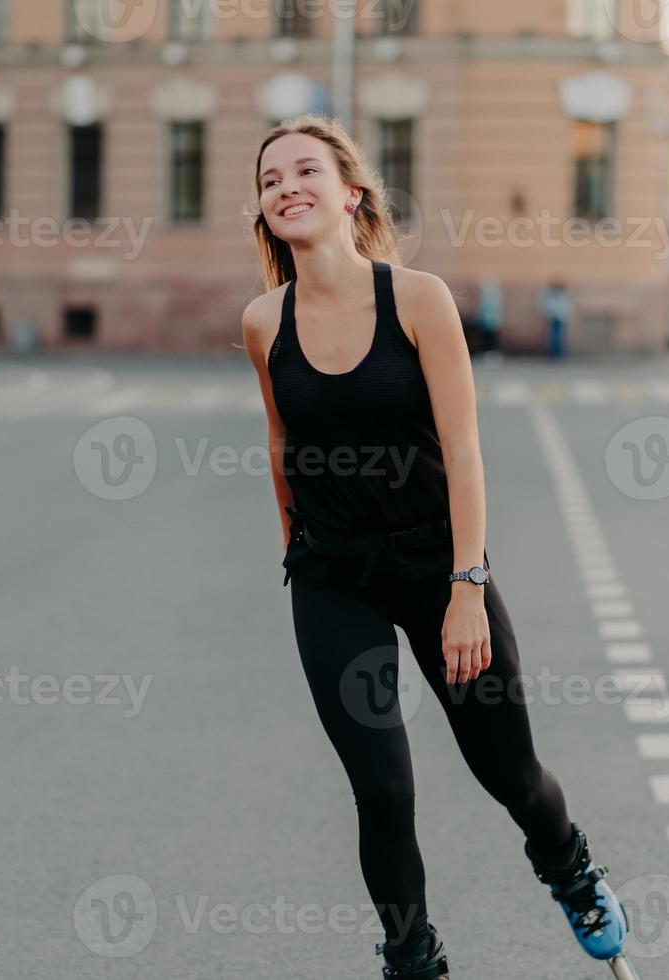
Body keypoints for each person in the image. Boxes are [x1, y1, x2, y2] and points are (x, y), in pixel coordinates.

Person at [241, 115, 631, 980]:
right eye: (270, 180)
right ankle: (413, 960)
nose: (286, 187)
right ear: (264, 210)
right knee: (381, 790)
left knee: (512, 776)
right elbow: (281, 443)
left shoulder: (416, 300)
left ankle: (568, 866)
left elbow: (463, 451)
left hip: (437, 565)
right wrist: (298, 552)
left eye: (305, 171)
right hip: (333, 576)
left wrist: (466, 587)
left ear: (351, 193)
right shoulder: (264, 321)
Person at [536, 278, 573, 360]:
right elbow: (546, 305)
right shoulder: (550, 294)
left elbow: (567, 306)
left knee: (559, 338)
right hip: (554, 318)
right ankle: (554, 354)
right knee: (554, 338)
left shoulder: (562, 294)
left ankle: (559, 354)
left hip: (561, 318)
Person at [474, 274, 503, 363]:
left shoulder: (492, 297)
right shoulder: (486, 297)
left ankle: (491, 355)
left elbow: (494, 310)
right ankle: (486, 354)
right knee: (486, 338)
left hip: (491, 322)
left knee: (491, 339)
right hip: (486, 322)